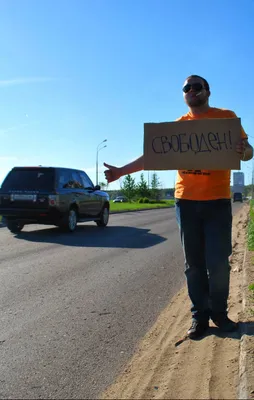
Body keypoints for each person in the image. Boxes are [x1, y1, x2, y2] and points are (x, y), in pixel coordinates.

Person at [104, 75, 253, 339]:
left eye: (197, 87)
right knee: (193, 264)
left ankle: (219, 313)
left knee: (218, 263)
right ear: (183, 95)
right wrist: (120, 172)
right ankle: (200, 318)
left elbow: (248, 151)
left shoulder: (226, 117)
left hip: (217, 201)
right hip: (186, 203)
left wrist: (244, 149)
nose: (192, 91)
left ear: (208, 91)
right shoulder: (178, 128)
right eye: (187, 88)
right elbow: (152, 155)